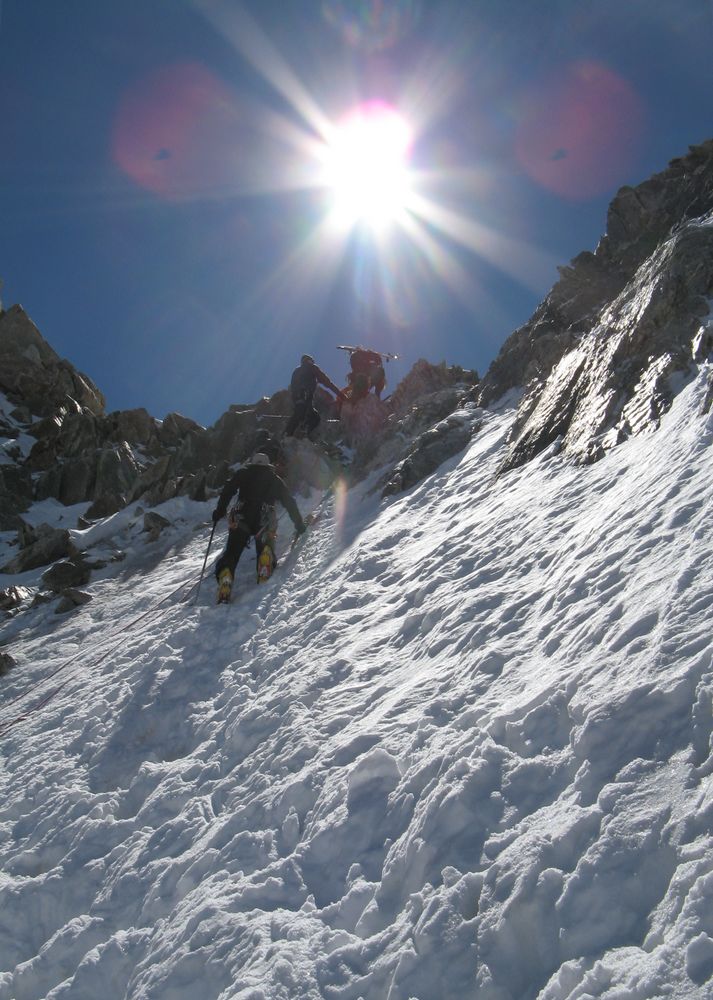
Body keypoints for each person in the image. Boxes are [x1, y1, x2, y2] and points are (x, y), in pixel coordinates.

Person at [212, 453, 306, 602]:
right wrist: (299, 525)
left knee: (232, 551)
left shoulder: (243, 473)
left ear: (253, 463)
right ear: (268, 465)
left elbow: (228, 490)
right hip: (264, 518)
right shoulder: (275, 479)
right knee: (265, 543)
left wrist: (220, 511)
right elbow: (289, 502)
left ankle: (226, 576)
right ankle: (265, 560)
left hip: (241, 516)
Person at [285, 354, 344, 439]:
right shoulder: (312, 367)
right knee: (310, 417)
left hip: (298, 397)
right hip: (305, 396)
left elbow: (293, 386)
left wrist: (296, 398)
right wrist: (340, 394)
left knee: (311, 416)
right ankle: (290, 435)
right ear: (310, 361)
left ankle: (296, 434)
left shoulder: (296, 371)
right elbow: (326, 382)